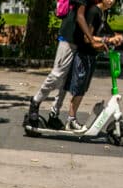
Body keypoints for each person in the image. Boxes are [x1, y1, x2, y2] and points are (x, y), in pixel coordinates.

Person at [63, 0, 123, 132]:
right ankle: (70, 120)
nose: (112, 1)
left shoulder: (102, 13)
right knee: (79, 88)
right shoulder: (94, 11)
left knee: (82, 89)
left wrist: (115, 37)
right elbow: (87, 37)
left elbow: (104, 31)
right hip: (84, 54)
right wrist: (106, 40)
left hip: (91, 55)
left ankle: (71, 119)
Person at [27, 0, 87, 129]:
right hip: (68, 37)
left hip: (79, 41)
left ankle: (54, 114)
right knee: (57, 74)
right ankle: (35, 102)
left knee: (66, 81)